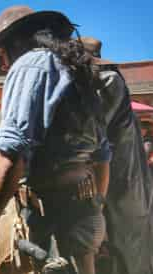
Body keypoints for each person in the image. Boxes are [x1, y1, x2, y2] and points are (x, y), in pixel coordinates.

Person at [0, 6, 110, 274]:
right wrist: (97, 209)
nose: (3, 65)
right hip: (84, 211)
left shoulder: (29, 65)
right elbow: (103, 156)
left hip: (52, 216)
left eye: (1, 54)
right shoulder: (79, 70)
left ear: (14, 43)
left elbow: (11, 156)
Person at [82, 37, 153, 274]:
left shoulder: (107, 81)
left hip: (122, 187)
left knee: (126, 249)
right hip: (124, 184)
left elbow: (91, 140)